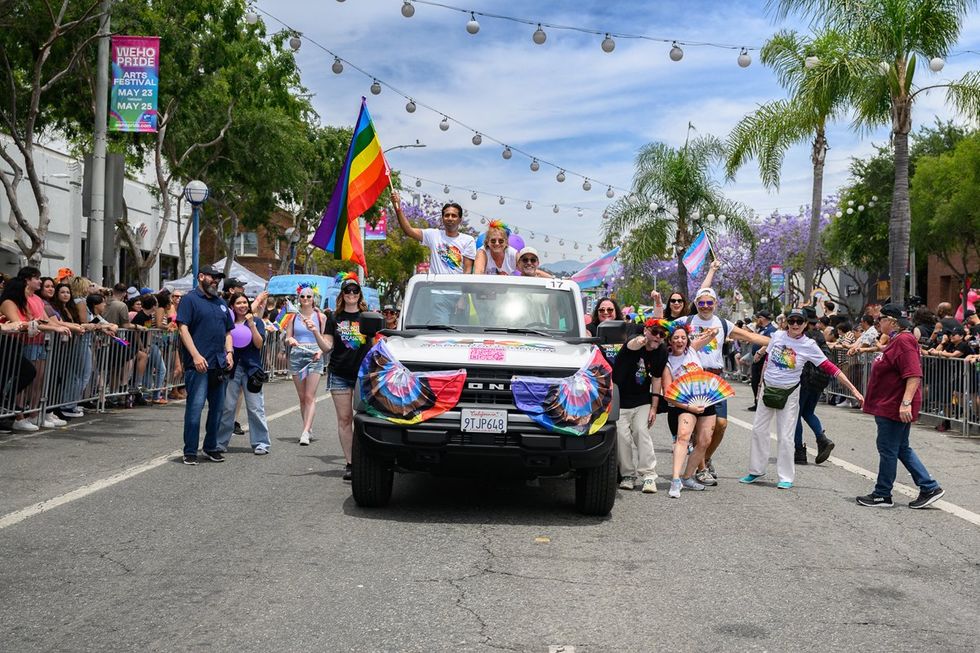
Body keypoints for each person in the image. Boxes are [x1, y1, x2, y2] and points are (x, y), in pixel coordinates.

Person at [738, 308, 863, 489]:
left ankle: (786, 476)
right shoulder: (778, 336)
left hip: (789, 393)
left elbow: (831, 368)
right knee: (758, 430)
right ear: (787, 322)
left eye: (799, 321)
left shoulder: (809, 345)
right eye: (791, 321)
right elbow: (768, 360)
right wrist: (759, 387)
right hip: (768, 389)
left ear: (805, 324)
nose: (795, 324)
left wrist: (854, 390)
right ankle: (756, 470)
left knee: (786, 435)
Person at [857, 303, 945, 509]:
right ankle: (929, 487)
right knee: (900, 448)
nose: (878, 323)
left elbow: (913, 374)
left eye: (881, 319)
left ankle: (882, 494)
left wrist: (905, 403)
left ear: (892, 321)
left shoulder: (904, 341)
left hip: (895, 404)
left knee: (888, 448)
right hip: (890, 403)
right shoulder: (898, 340)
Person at [683, 284, 759, 484]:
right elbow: (663, 329)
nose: (705, 306)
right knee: (700, 427)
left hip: (715, 379)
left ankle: (705, 458)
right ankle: (701, 469)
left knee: (721, 424)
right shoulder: (686, 321)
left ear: (715, 304)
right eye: (701, 302)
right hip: (692, 378)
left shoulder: (723, 324)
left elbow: (750, 337)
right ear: (696, 304)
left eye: (709, 302)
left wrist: (778, 339)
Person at [176, 265, 235, 465]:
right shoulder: (189, 300)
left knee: (217, 409)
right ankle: (190, 450)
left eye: (218, 278)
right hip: (198, 365)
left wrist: (229, 353)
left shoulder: (221, 302)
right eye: (212, 277)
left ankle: (211, 447)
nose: (215, 280)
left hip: (218, 364)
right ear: (201, 276)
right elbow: (183, 329)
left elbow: (228, 332)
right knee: (195, 408)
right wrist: (195, 356)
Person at [661, 322, 719, 498]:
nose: (680, 341)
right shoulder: (667, 362)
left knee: (705, 440)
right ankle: (676, 480)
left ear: (687, 340)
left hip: (705, 400)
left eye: (683, 338)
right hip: (682, 404)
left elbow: (713, 334)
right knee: (684, 437)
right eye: (676, 338)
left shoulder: (692, 350)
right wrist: (688, 407)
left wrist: (713, 330)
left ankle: (687, 477)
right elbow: (668, 394)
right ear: (670, 341)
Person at [323, 274, 369, 481]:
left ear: (360, 294)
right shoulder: (334, 318)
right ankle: (351, 463)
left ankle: (366, 460)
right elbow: (327, 346)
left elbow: (378, 346)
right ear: (342, 294)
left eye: (355, 291)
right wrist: (315, 332)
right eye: (348, 291)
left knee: (363, 419)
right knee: (344, 419)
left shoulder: (369, 317)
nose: (351, 294)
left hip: (363, 375)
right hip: (340, 373)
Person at [614, 319, 668, 494]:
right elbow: (632, 344)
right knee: (622, 436)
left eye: (662, 334)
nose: (658, 337)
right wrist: (643, 340)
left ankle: (649, 474)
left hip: (642, 399)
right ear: (646, 330)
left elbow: (657, 378)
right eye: (654, 332)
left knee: (641, 431)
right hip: (620, 399)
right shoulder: (635, 339)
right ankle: (628, 475)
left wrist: (654, 407)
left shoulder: (661, 351)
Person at [216, 292, 271, 455]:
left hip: (252, 369)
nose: (242, 306)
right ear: (232, 306)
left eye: (245, 303)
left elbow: (259, 344)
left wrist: (252, 324)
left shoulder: (257, 322)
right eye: (238, 303)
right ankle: (220, 442)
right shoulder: (228, 323)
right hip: (231, 369)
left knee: (255, 407)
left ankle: (261, 443)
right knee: (227, 407)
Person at [391, 190, 476, 275]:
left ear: (460, 220)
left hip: (456, 287)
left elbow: (467, 271)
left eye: (454, 216)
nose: (450, 218)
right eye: (447, 215)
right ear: (442, 218)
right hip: (435, 287)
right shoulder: (433, 235)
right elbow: (409, 230)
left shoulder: (468, 240)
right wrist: (397, 208)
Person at [285, 283, 329, 445]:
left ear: (313, 299)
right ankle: (308, 427)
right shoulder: (293, 316)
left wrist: (320, 351)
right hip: (297, 355)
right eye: (302, 296)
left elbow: (326, 339)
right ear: (299, 298)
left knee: (310, 396)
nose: (305, 299)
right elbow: (287, 337)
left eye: (308, 296)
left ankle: (304, 432)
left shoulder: (320, 317)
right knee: (302, 397)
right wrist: (291, 340)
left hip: (314, 355)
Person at [793, 306, 837, 465]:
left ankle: (799, 451)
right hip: (820, 380)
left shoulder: (803, 337)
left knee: (796, 414)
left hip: (804, 380)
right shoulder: (819, 335)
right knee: (808, 412)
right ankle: (822, 439)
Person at [747, 310, 775, 411]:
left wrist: (760, 352)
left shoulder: (771, 329)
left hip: (763, 359)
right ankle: (756, 401)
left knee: (760, 381)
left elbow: (770, 343)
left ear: (762, 318)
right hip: (757, 359)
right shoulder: (761, 329)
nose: (757, 320)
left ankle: (760, 403)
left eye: (758, 318)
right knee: (755, 381)